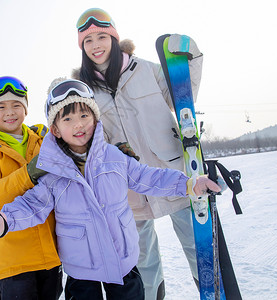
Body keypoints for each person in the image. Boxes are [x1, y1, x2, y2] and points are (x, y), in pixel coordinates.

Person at [0, 78, 220, 300]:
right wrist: (4, 219)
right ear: (56, 129)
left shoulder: (114, 157)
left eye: (84, 115)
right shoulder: (53, 172)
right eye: (68, 119)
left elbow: (150, 178)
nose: (78, 125)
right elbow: (32, 204)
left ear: (95, 118)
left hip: (123, 262)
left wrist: (189, 184)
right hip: (82, 272)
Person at [73, 8, 204, 299]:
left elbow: (180, 98)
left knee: (198, 247)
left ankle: (212, 290)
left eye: (102, 37)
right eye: (88, 40)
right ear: (82, 46)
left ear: (114, 38)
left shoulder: (145, 69)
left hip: (174, 175)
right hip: (129, 186)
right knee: (143, 261)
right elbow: (93, 138)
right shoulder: (86, 91)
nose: (96, 45)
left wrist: (191, 58)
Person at [0, 76, 62, 299]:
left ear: (26, 109)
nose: (9, 112)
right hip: (14, 260)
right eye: (1, 107)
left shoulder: (42, 141)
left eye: (16, 105)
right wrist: (26, 175)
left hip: (51, 253)